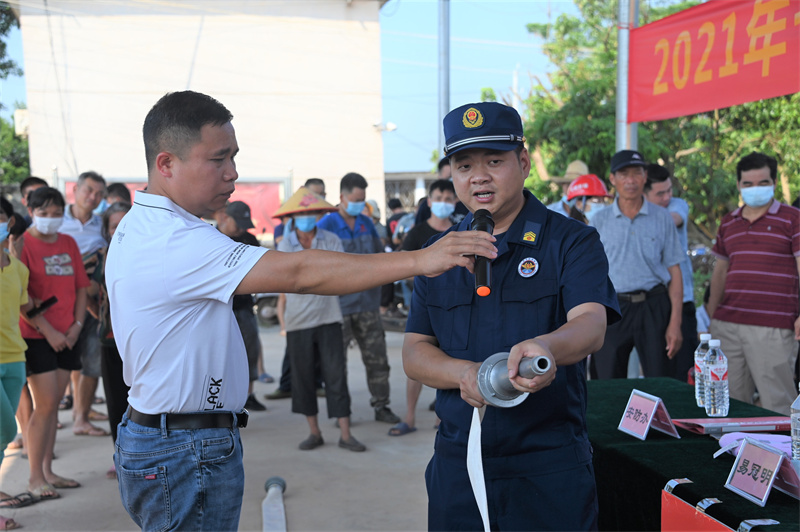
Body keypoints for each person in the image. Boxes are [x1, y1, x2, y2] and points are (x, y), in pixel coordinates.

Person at [105, 90, 496, 531]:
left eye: (234, 156)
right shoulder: (174, 239)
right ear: (166, 164)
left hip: (169, 436)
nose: (232, 172)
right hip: (184, 446)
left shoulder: (143, 225)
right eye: (218, 159)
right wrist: (421, 260)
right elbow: (300, 273)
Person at [403, 102, 619, 530]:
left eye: (494, 161)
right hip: (460, 461)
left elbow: (591, 324)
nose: (478, 177)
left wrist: (546, 347)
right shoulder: (437, 254)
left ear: (523, 162)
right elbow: (415, 351)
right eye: (464, 166)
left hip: (548, 463)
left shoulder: (571, 241)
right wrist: (464, 373)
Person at [707, 152, 800, 415]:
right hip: (728, 326)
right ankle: (732, 444)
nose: (755, 188)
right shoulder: (729, 222)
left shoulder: (793, 218)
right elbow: (720, 272)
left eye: (763, 182)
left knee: (777, 405)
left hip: (773, 326)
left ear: (774, 183)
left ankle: (783, 445)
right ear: (738, 185)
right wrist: (713, 316)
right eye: (748, 183)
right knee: (728, 404)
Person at [274, 187, 366, 452]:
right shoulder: (285, 244)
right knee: (303, 379)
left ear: (317, 215)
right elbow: (288, 279)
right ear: (293, 217)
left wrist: (308, 277)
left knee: (336, 376)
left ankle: (346, 434)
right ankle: (314, 432)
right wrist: (318, 275)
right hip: (298, 321)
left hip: (329, 318)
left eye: (311, 213)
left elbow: (339, 273)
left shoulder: (330, 239)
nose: (306, 218)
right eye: (301, 214)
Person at [18, 187, 88, 500]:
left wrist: (75, 328)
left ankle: (48, 472)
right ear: (31, 212)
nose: (50, 218)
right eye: (43, 213)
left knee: (53, 408)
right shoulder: (22, 244)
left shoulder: (68, 242)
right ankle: (35, 478)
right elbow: (22, 297)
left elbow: (81, 287)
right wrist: (49, 332)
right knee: (44, 407)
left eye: (56, 213)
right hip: (37, 336)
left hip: (68, 334)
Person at [590, 150, 684, 379]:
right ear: (612, 179)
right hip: (613, 308)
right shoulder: (598, 220)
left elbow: (674, 271)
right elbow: (589, 274)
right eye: (624, 174)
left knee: (660, 379)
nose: (630, 180)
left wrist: (675, 323)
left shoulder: (662, 217)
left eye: (636, 173)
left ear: (645, 177)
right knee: (607, 380)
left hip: (654, 305)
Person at [317, 172, 401, 424]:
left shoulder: (366, 223)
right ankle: (341, 413)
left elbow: (378, 258)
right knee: (336, 363)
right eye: (355, 200)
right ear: (342, 197)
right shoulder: (326, 225)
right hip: (338, 307)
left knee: (377, 359)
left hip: (367, 305)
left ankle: (381, 405)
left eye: (362, 200)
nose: (359, 204)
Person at [389, 179, 457, 437]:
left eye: (448, 199)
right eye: (439, 198)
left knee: (450, 360)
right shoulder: (417, 233)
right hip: (424, 306)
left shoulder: (461, 231)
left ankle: (443, 417)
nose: (443, 203)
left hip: (455, 307)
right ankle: (409, 417)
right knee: (416, 360)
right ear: (429, 202)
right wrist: (427, 277)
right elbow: (403, 266)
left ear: (455, 202)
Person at [59, 170, 109, 438]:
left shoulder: (102, 225)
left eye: (99, 193)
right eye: (89, 190)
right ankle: (45, 422)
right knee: (60, 363)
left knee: (92, 359)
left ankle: (82, 417)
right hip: (60, 305)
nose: (93, 197)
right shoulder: (55, 220)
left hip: (93, 302)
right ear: (75, 190)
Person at [266, 178, 327, 400]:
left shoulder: (324, 225)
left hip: (319, 296)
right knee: (294, 346)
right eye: (315, 194)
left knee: (317, 346)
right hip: (295, 292)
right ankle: (287, 385)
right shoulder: (288, 229)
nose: (318, 198)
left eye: (322, 194)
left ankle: (315, 383)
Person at [86, 201, 132, 479]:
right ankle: (121, 457)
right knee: (116, 402)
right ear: (106, 230)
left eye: (125, 223)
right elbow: (86, 290)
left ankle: (146, 453)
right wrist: (100, 314)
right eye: (114, 226)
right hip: (111, 340)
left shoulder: (148, 251)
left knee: (146, 401)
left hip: (145, 341)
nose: (120, 229)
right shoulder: (101, 257)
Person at [644, 164, 697, 382]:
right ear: (643, 193)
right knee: (657, 371)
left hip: (682, 301)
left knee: (683, 369)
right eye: (660, 193)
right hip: (652, 303)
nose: (667, 197)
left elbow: (673, 218)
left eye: (669, 191)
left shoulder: (677, 205)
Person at [215, 200, 267, 412]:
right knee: (219, 356)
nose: (242, 229)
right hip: (218, 308)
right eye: (238, 223)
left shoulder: (249, 239)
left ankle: (248, 395)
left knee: (249, 350)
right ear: (225, 217)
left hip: (244, 307)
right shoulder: (211, 238)